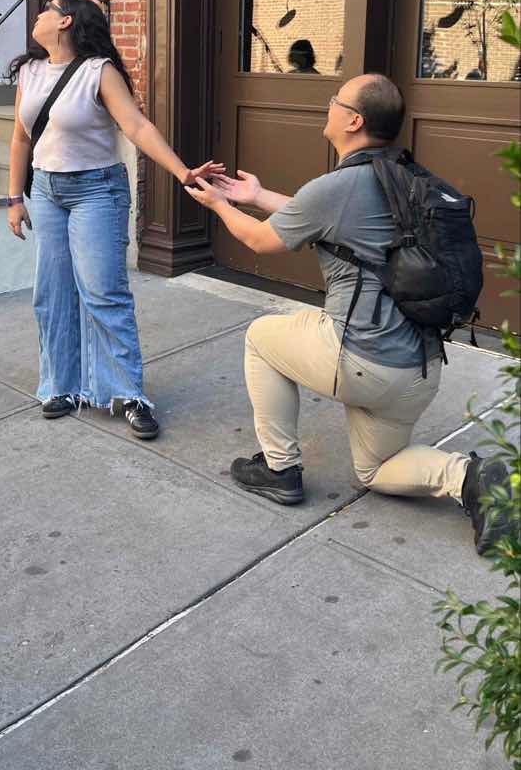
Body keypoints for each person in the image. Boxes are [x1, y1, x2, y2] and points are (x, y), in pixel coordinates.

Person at [186, 73, 511, 555]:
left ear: (354, 120)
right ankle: (474, 478)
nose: (329, 104)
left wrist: (217, 204)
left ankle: (279, 470)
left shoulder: (339, 185)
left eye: (336, 100)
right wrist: (252, 197)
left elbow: (259, 240)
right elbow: (318, 217)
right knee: (376, 470)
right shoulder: (402, 175)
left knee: (260, 336)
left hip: (363, 360)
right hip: (418, 371)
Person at [6, 0, 223, 439]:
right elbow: (20, 139)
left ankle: (129, 393)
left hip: (96, 191)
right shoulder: (29, 72)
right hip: (46, 190)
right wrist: (14, 198)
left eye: (47, 7)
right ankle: (61, 385)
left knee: (104, 291)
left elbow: (137, 127)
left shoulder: (97, 71)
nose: (39, 14)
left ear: (65, 21)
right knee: (52, 292)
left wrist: (182, 171)